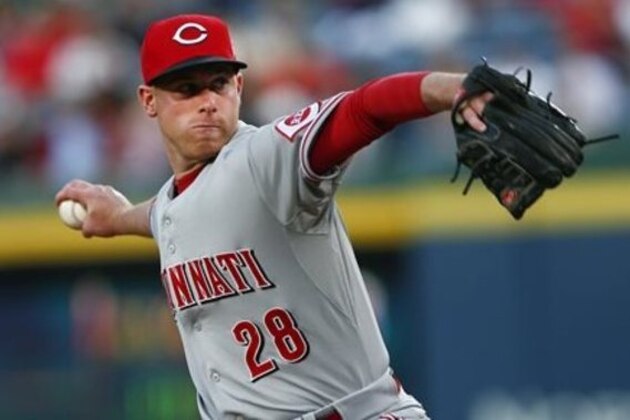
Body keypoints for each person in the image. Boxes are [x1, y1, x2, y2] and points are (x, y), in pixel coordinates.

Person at [55, 13, 491, 420]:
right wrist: (119, 216)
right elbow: (176, 213)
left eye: (218, 84)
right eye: (187, 90)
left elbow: (363, 108)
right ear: (149, 101)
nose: (207, 101)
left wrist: (453, 89)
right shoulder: (174, 203)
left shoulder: (267, 157)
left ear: (239, 88)